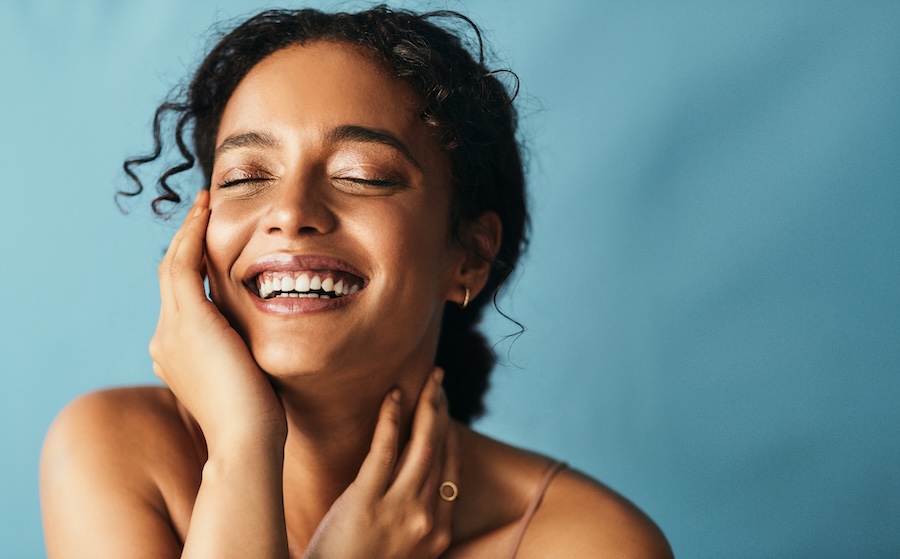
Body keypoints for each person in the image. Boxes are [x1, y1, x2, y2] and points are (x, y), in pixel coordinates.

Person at [40, 6, 672, 558]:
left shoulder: (590, 541)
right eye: (244, 176)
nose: (289, 212)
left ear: (471, 257)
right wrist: (243, 444)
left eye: (364, 174)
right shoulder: (112, 450)